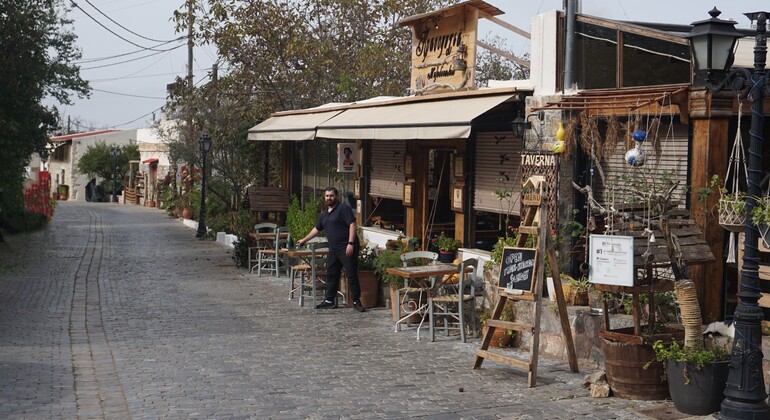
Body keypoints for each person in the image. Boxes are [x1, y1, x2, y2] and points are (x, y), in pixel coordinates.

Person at [296, 187, 365, 312]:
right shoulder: (324, 214)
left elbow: (352, 224)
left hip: (346, 247)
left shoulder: (343, 209)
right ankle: (329, 300)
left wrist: (351, 243)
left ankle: (356, 301)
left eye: (331, 195)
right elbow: (317, 229)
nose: (329, 198)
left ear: (336, 196)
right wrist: (304, 240)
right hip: (334, 249)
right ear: (324, 197)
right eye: (327, 196)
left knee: (351, 274)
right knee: (332, 274)